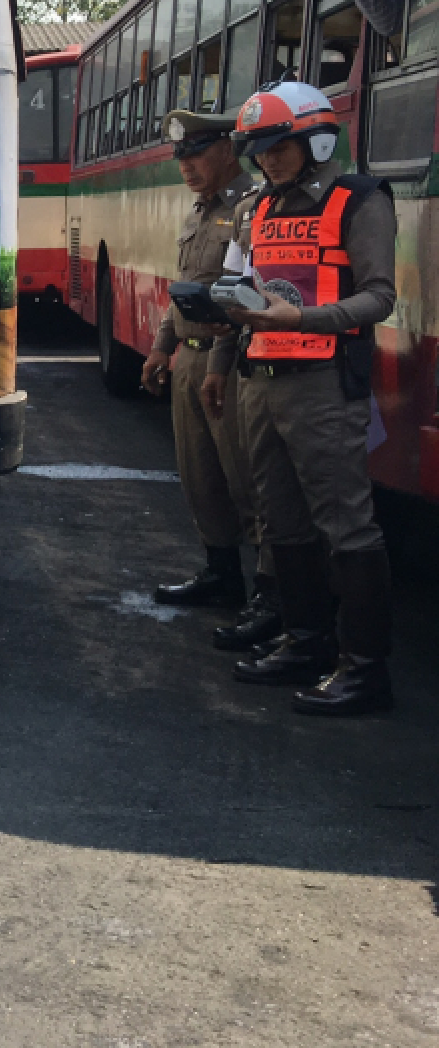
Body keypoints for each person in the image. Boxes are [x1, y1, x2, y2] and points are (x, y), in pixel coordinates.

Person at [208, 83, 398, 716]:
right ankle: (306, 642)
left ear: (317, 139)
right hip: (261, 379)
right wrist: (222, 350)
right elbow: (247, 289)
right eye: (259, 151)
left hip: (323, 382)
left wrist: (303, 319)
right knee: (282, 520)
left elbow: (379, 296)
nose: (269, 161)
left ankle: (365, 672)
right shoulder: (258, 208)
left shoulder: (359, 200)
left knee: (344, 523)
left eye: (279, 147)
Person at [142, 109, 269, 643]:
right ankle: (222, 575)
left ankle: (270, 595)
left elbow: (247, 291)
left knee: (246, 478)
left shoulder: (251, 206)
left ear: (226, 150)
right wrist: (159, 349)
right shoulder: (199, 211)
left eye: (195, 154)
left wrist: (215, 357)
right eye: (180, 157)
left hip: (230, 361)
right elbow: (185, 286)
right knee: (199, 476)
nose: (186, 166)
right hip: (190, 358)